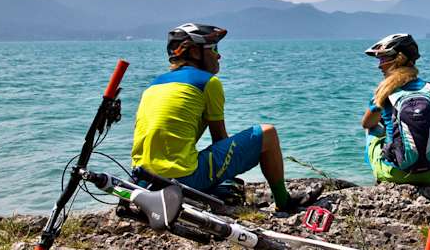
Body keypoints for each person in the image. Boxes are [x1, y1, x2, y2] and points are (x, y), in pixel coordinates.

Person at [131, 22, 307, 212]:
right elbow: (220, 138)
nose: (218, 55)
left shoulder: (153, 86)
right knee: (268, 134)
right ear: (195, 52)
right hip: (180, 179)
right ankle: (284, 202)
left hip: (142, 180)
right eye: (213, 48)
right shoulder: (208, 82)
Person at [360, 33, 430, 185]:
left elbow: (366, 123)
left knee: (372, 130)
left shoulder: (385, 92)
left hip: (397, 175)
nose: (379, 65)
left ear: (397, 59)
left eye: (383, 59)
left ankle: (381, 180)